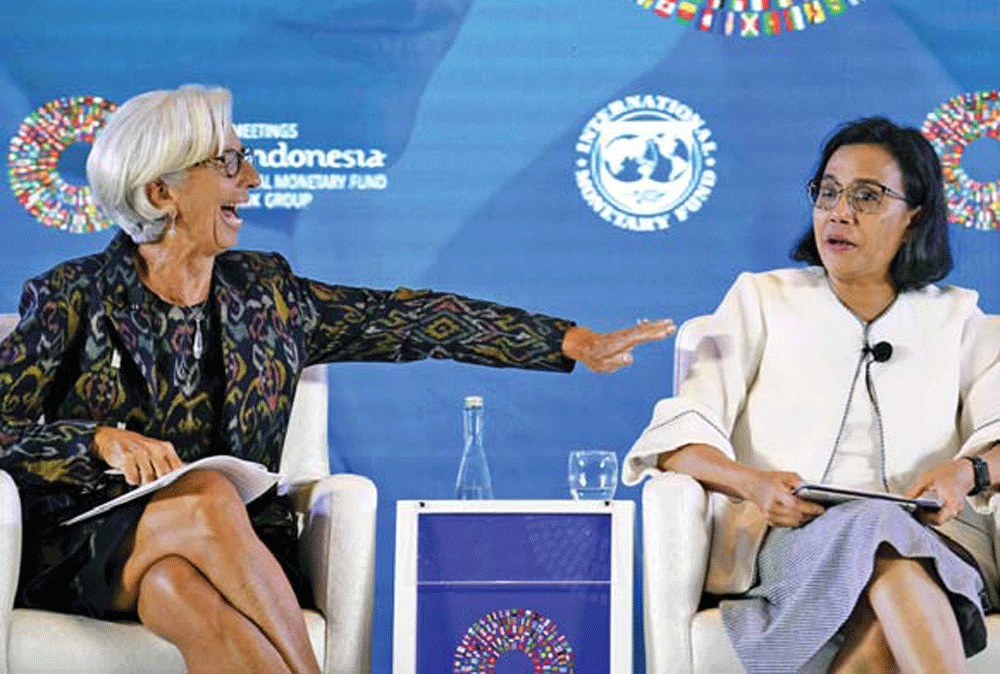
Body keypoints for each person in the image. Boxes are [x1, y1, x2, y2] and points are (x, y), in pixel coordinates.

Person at [0, 85, 674, 673]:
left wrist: (568, 340)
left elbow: (411, 320)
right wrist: (97, 441)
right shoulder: (71, 296)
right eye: (230, 162)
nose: (254, 178)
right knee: (205, 495)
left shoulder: (270, 294)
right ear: (160, 191)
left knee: (178, 589)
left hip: (229, 552)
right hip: (88, 546)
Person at [624, 117, 1000, 672]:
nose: (838, 212)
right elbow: (678, 441)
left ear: (914, 214)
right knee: (882, 541)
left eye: (867, 197)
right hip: (794, 540)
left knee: (887, 566)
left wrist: (966, 474)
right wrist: (753, 484)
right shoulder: (762, 300)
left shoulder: (959, 319)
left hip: (935, 541)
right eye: (828, 192)